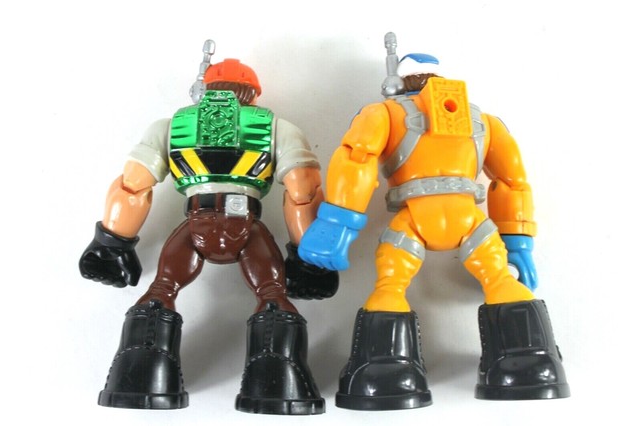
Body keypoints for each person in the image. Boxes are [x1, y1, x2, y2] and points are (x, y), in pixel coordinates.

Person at [299, 32, 570, 410]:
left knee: (391, 285)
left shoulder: (384, 114)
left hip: (414, 219)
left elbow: (356, 160)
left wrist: (339, 224)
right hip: (471, 221)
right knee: (501, 280)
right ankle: (531, 363)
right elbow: (512, 183)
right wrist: (517, 241)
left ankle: (385, 370)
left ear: (398, 81)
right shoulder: (485, 122)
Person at [79, 40, 336, 415]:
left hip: (196, 222)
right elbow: (302, 189)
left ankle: (140, 374)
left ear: (203, 89)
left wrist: (111, 243)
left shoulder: (171, 126)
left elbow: (133, 185)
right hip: (246, 224)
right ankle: (279, 380)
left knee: (162, 289)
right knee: (272, 293)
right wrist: (309, 256)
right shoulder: (275, 127)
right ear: (253, 93)